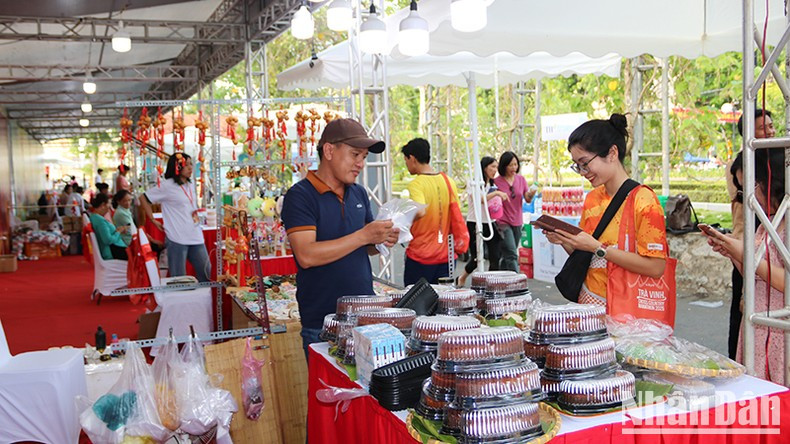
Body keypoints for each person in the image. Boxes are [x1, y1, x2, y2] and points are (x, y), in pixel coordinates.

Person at [281, 118, 399, 358]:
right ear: (329, 150)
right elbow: (306, 255)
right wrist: (363, 235)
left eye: (364, 157)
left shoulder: (358, 192)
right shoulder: (301, 196)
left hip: (365, 317)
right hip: (324, 323)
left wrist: (379, 240)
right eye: (355, 154)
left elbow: (361, 247)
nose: (360, 163)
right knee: (328, 393)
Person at [545, 114, 667, 306]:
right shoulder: (592, 199)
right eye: (577, 166)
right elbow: (588, 258)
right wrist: (563, 240)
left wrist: (597, 248)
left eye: (585, 163)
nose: (583, 173)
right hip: (589, 306)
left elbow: (656, 267)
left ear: (612, 153)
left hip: (627, 312)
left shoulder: (643, 200)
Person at [706, 148, 785, 385]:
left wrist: (746, 256)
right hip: (759, 327)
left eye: (750, 186)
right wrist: (734, 254)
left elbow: (786, 282)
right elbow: (755, 277)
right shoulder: (767, 221)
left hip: (781, 331)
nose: (746, 196)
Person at [725, 108, 774, 359]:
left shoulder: (773, 158)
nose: (771, 131)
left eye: (771, 125)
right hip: (747, 246)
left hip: (768, 247)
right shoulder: (744, 164)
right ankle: (740, 360)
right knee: (744, 308)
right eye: (763, 127)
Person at [139, 153, 211, 282]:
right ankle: (180, 302)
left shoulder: (190, 184)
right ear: (177, 167)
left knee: (206, 273)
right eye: (186, 165)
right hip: (177, 237)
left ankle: (203, 302)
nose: (190, 168)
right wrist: (153, 220)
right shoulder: (167, 185)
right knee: (179, 279)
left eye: (191, 164)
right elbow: (143, 198)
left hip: (195, 235)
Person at [401, 138, 462, 285]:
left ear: (412, 158)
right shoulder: (448, 181)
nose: (406, 164)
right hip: (446, 256)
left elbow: (420, 211)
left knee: (416, 303)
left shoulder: (417, 184)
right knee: (443, 303)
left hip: (421, 256)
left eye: (406, 160)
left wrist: (401, 219)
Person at [458, 156, 506, 286]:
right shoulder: (474, 183)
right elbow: (480, 199)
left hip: (490, 222)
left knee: (495, 255)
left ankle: (490, 284)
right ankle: (462, 277)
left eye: (496, 167)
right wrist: (497, 194)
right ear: (484, 168)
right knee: (476, 257)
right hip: (475, 222)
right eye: (492, 167)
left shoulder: (492, 184)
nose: (495, 170)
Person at [493, 151, 536, 272]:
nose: (514, 168)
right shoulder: (497, 182)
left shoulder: (521, 180)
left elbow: (527, 199)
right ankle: (516, 282)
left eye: (515, 164)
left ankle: (501, 277)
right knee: (512, 253)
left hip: (517, 220)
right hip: (502, 221)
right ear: (504, 165)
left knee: (507, 254)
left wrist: (531, 194)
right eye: (510, 165)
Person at [88, 193, 129, 260]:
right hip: (114, 251)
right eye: (109, 205)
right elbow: (108, 240)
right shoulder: (100, 221)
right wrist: (118, 232)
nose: (109, 209)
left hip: (116, 248)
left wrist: (117, 231)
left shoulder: (95, 217)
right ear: (103, 205)